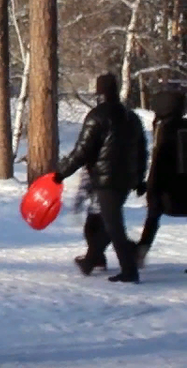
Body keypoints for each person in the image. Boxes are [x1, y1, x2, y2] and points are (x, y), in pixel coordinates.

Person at [53, 73, 147, 283]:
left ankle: (129, 270)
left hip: (106, 181)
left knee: (113, 226)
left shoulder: (97, 116)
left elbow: (82, 151)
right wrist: (140, 179)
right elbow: (142, 151)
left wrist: (62, 173)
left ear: (99, 92)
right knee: (108, 223)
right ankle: (91, 260)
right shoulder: (131, 117)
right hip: (125, 180)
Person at [137, 90, 187, 266]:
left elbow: (159, 161)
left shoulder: (164, 128)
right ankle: (140, 252)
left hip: (165, 186)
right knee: (153, 216)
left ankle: (140, 253)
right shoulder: (181, 125)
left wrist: (150, 185)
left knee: (152, 216)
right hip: (181, 184)